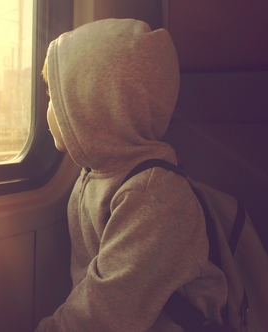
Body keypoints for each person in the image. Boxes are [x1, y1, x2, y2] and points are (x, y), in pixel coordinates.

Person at [36, 19, 228, 332]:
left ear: (96, 106)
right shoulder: (94, 174)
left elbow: (104, 314)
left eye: (55, 98)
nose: (49, 110)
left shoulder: (152, 197)